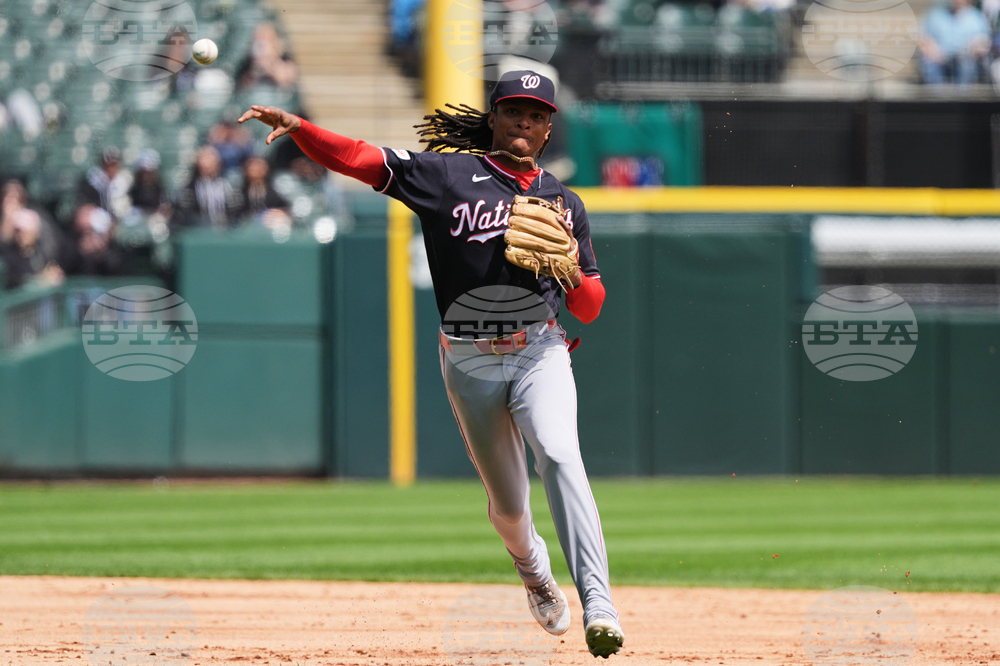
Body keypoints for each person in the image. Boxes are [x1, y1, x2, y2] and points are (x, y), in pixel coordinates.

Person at [238, 70, 624, 659]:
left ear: (548, 129)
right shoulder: (446, 177)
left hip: (539, 350)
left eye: (537, 114)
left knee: (559, 453)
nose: (524, 121)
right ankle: (533, 571)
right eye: (514, 110)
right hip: (468, 359)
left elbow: (590, 308)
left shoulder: (566, 203)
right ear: (493, 117)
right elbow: (362, 158)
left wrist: (570, 266)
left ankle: (600, 603)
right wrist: (300, 128)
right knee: (510, 507)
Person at [918, 0, 991, 85]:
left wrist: (974, 48)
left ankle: (962, 92)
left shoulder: (977, 17)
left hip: (965, 57)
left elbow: (984, 42)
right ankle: (937, 92)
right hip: (940, 57)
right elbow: (923, 38)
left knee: (967, 64)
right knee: (928, 62)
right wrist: (932, 50)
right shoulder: (936, 15)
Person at [173, 146, 244, 229]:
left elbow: (236, 210)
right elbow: (185, 212)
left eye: (211, 161)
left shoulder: (228, 186)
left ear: (218, 164)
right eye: (204, 160)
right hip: (198, 228)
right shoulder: (190, 188)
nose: (207, 165)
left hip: (225, 228)